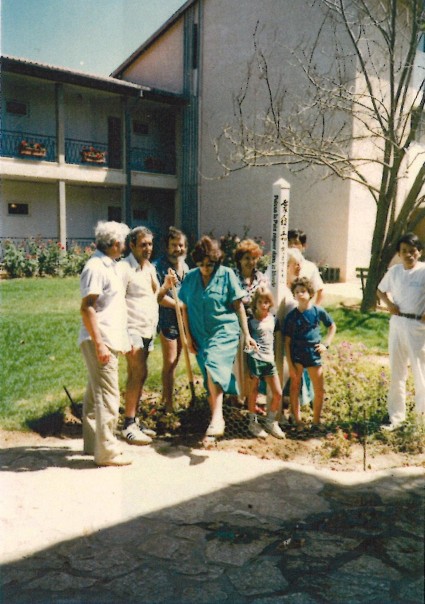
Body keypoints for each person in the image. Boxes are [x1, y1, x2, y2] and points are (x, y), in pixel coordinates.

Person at [178, 235, 257, 438]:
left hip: (224, 330)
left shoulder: (227, 274)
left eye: (210, 264)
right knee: (209, 375)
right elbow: (184, 308)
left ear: (217, 261)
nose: (206, 268)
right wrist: (187, 337)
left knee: (214, 365)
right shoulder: (190, 278)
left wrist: (246, 334)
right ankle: (214, 426)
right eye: (202, 264)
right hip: (199, 334)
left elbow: (239, 306)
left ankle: (217, 418)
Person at [79, 220, 132, 467]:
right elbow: (87, 307)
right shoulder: (96, 267)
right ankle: (107, 452)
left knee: (94, 396)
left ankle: (93, 445)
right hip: (100, 340)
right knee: (109, 397)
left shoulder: (110, 265)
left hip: (109, 338)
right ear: (114, 244)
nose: (125, 246)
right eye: (123, 242)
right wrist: (100, 344)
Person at [117, 226, 177, 445]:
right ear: (131, 245)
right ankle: (128, 424)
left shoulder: (150, 268)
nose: (147, 248)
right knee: (137, 372)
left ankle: (135, 418)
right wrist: (122, 335)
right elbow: (116, 301)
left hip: (147, 330)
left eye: (150, 244)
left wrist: (167, 286)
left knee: (141, 374)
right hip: (131, 329)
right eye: (143, 244)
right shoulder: (124, 268)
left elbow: (157, 297)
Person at [377, 232, 425, 430]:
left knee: (421, 373)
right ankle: (396, 417)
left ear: (419, 253)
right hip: (397, 323)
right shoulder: (395, 271)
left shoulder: (424, 271)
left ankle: (419, 420)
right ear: (399, 253)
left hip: (417, 328)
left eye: (412, 251)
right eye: (404, 251)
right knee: (397, 372)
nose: (408, 255)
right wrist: (388, 303)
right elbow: (380, 289)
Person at [283, 277, 336, 431]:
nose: (300, 294)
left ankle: (316, 421)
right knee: (295, 387)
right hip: (297, 355)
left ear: (310, 293)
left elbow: (332, 326)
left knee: (319, 389)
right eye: (297, 292)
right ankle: (298, 420)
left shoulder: (317, 311)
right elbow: (286, 341)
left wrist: (326, 344)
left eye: (303, 291)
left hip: (313, 354)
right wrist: (290, 363)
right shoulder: (292, 316)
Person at [154, 227, 189, 412]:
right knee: (170, 361)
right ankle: (167, 405)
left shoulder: (185, 267)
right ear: (167, 247)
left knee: (176, 362)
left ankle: (169, 398)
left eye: (181, 245)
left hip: (183, 321)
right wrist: (179, 305)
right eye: (174, 245)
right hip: (167, 320)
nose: (178, 249)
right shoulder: (158, 266)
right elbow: (158, 296)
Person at [246, 286, 286, 440]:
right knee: (253, 391)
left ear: (270, 303)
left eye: (266, 302)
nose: (263, 305)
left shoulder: (273, 319)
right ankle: (252, 422)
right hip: (255, 359)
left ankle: (270, 421)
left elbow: (277, 338)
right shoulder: (251, 321)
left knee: (277, 393)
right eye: (260, 302)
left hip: (269, 360)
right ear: (255, 303)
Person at [233, 238, 270, 406]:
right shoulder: (232, 276)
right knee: (236, 363)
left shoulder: (261, 278)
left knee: (252, 363)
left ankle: (250, 399)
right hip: (234, 324)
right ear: (240, 259)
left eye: (253, 258)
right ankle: (234, 398)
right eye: (246, 258)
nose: (250, 262)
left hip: (254, 325)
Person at [288, 229, 325, 305]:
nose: (292, 246)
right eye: (289, 243)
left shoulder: (310, 267)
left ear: (304, 246)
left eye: (296, 243)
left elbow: (320, 290)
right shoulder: (279, 266)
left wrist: (315, 311)